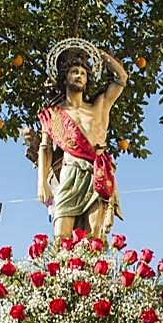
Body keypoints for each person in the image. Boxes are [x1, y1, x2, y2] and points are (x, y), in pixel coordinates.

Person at [35, 42, 127, 238]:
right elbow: (45, 147)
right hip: (69, 172)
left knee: (95, 235)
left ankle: (91, 268)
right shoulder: (53, 114)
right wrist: (42, 182)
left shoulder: (99, 107)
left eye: (83, 73)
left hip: (97, 173)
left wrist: (102, 55)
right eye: (74, 72)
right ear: (65, 77)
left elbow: (121, 79)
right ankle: (64, 269)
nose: (78, 76)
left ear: (87, 80)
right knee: (61, 235)